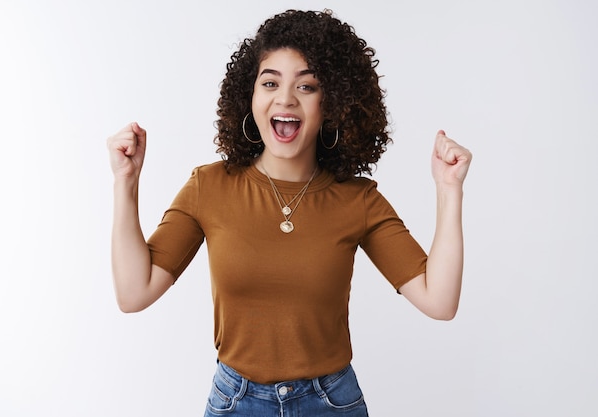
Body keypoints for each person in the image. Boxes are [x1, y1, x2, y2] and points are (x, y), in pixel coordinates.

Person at [107, 9, 472, 417]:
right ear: (250, 96)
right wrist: (126, 183)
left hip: (332, 403)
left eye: (307, 85)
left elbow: (439, 301)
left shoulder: (357, 199)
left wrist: (449, 191)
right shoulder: (208, 187)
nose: (285, 98)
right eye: (270, 83)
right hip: (236, 402)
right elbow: (133, 292)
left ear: (332, 102)